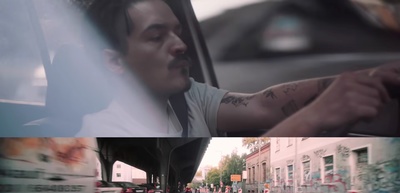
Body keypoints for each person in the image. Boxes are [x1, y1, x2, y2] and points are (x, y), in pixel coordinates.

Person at [76, 0, 400, 137]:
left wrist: (366, 79)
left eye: (178, 32)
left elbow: (261, 104)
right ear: (113, 62)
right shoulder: (99, 131)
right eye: (157, 36)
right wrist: (316, 115)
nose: (180, 45)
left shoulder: (189, 97)